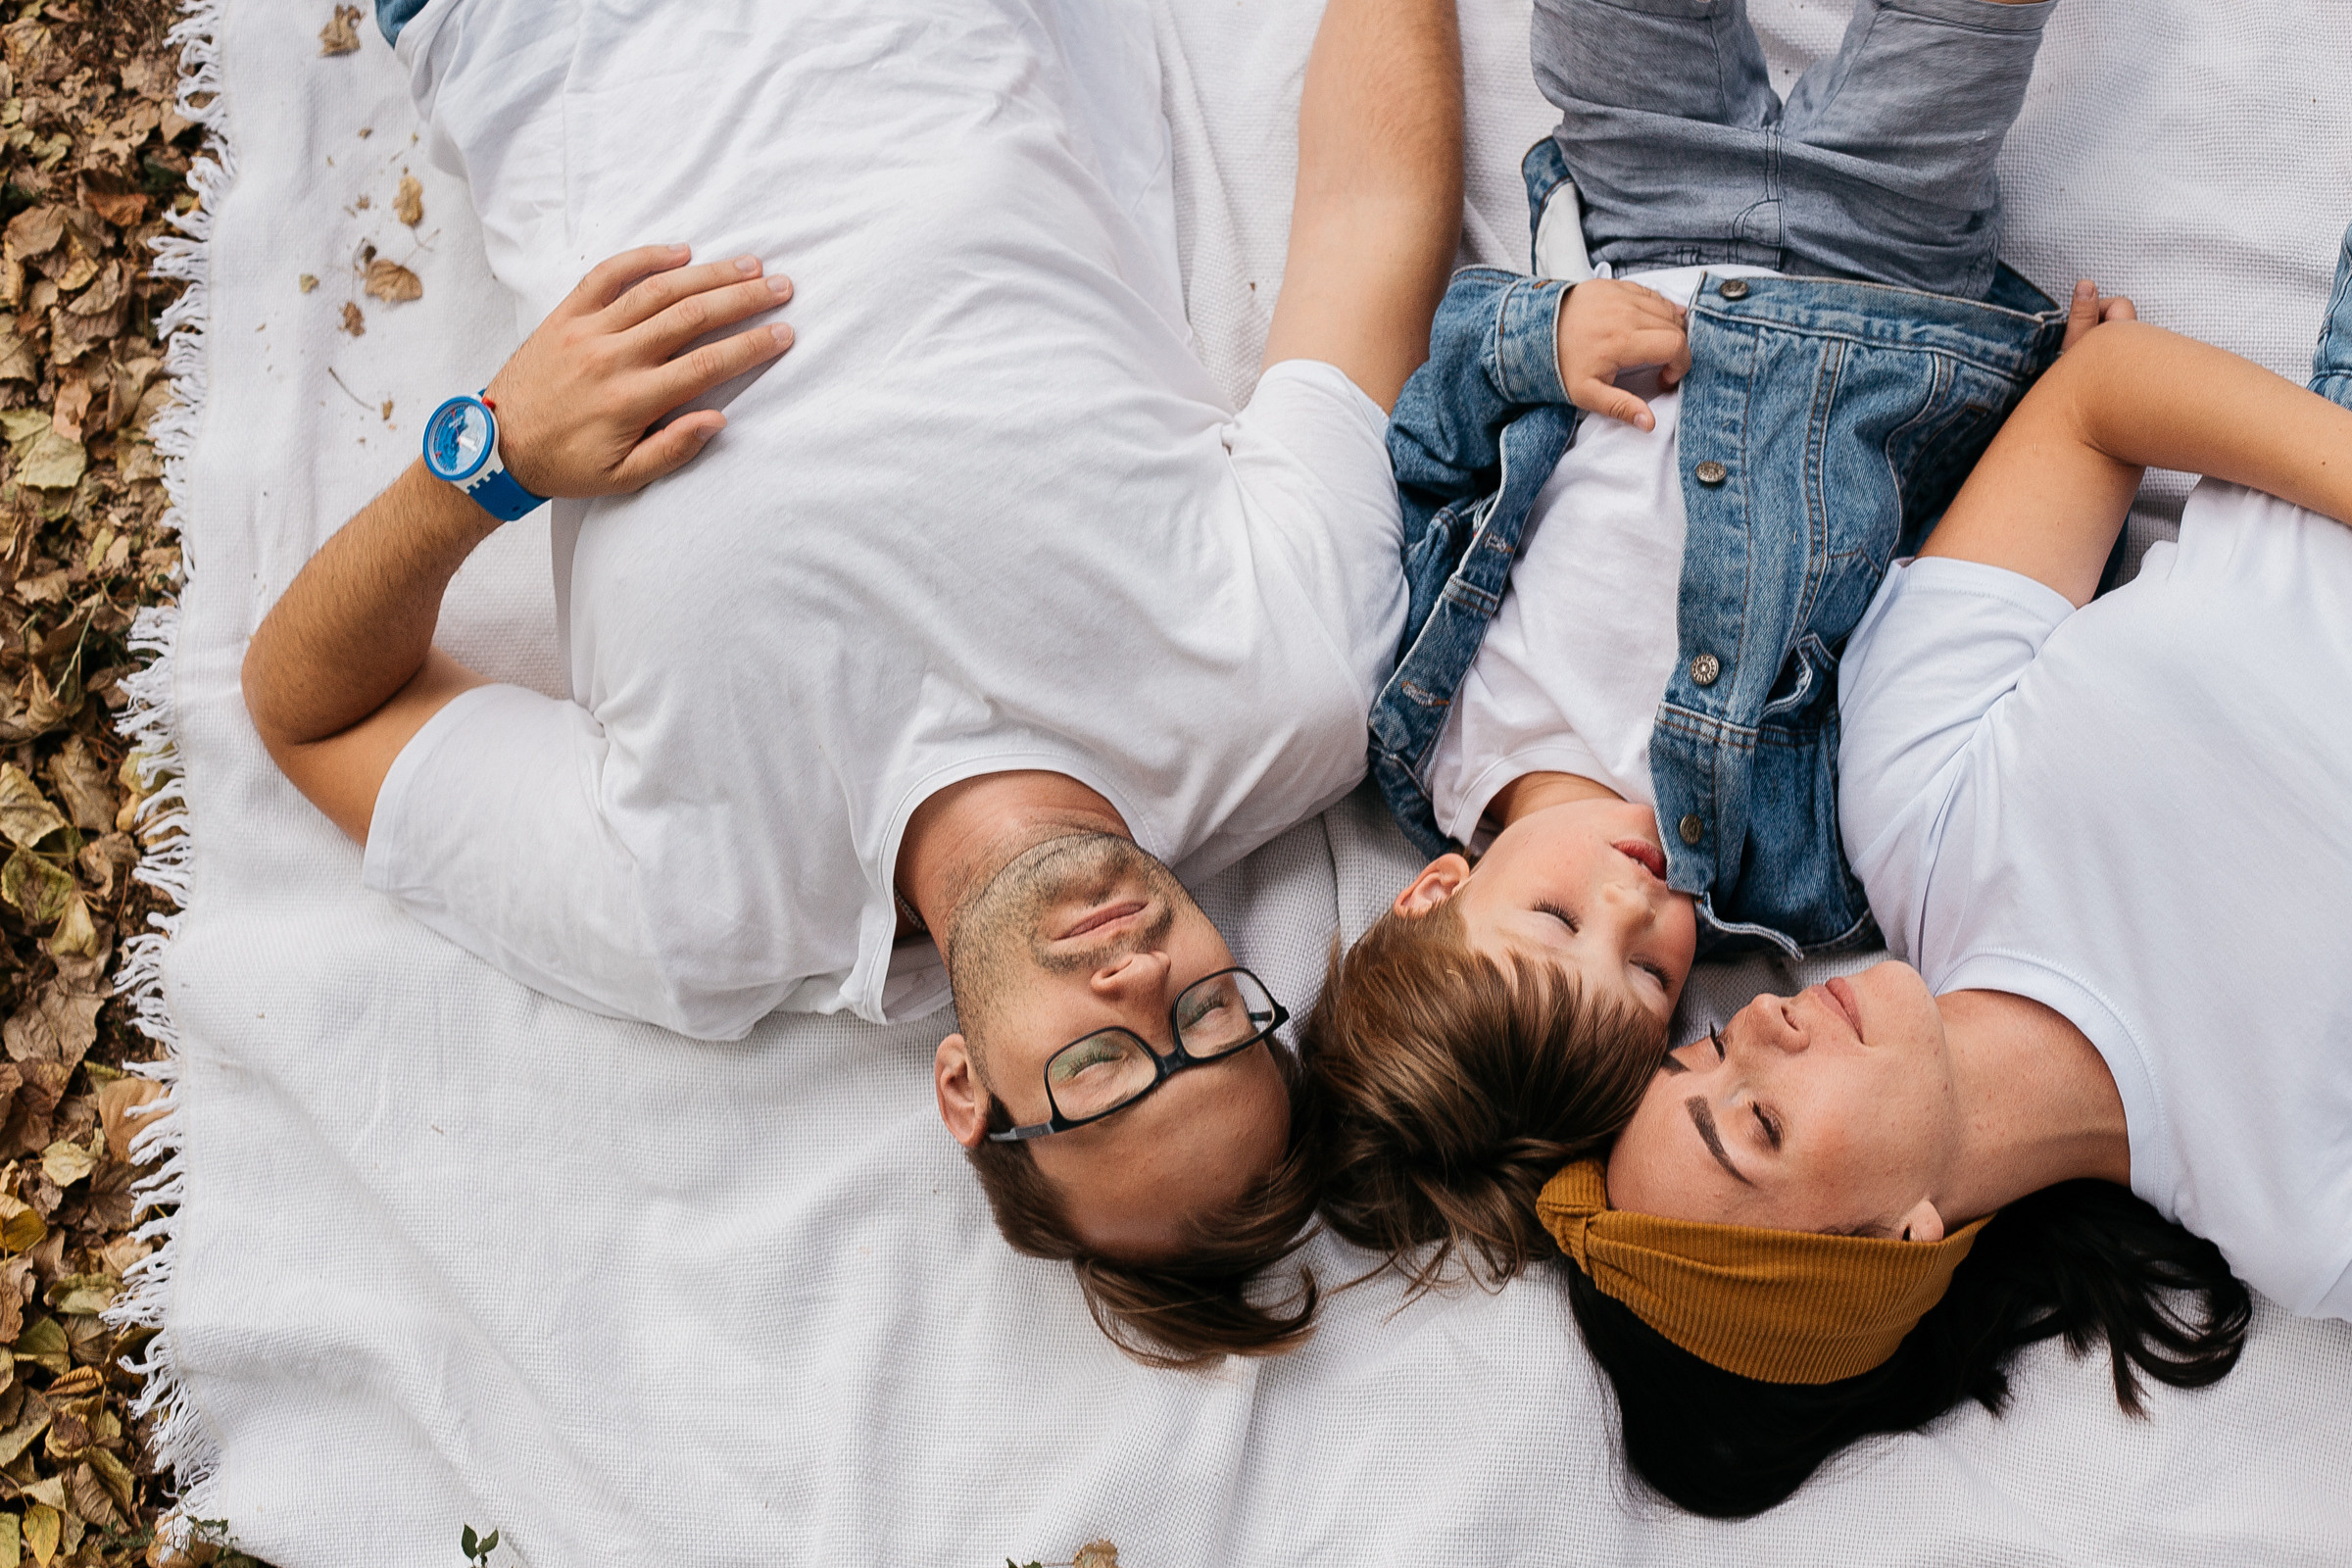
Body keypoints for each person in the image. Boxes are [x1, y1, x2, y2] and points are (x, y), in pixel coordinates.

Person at [238, 0, 1465, 1364]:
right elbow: (1370, 217)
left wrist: (492, 458)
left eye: (1103, 1071)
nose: (1139, 980)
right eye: (1208, 1018)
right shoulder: (1288, 690)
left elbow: (312, 706)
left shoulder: (697, 911)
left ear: (965, 1092)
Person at [1303, 0, 2111, 1283]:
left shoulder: (1413, 717)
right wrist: (2058, 417)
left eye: (1559, 914)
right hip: (1883, 272)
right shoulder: (1793, 866)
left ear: (1439, 892)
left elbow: (1427, 447)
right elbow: (1953, 627)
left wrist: (1537, 335)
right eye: (1645, 979)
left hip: (1645, 204)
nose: (1632, 901)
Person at [1558, 220, 2352, 1515]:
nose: (1753, 1020)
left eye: (1699, 1054)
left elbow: (2098, 402)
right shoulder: (2307, 1221)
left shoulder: (1911, 813)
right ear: (1889, 1249)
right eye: (1756, 1121)